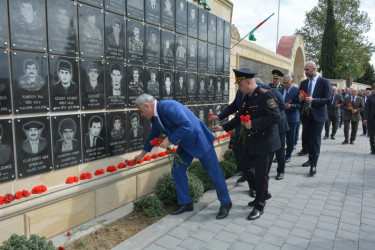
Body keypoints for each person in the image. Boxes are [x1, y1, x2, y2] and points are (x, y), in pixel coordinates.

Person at [134, 94, 232, 219]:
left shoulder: (169, 106)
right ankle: (186, 203)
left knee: (214, 173)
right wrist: (142, 154)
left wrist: (169, 140)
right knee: (177, 171)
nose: (141, 115)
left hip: (199, 140)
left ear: (147, 106)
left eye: (141, 111)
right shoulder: (154, 117)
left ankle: (226, 203)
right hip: (185, 144)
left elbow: (186, 124)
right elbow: (154, 134)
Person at [212, 69, 280, 220]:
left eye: (240, 85)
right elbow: (239, 116)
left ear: (249, 82)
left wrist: (253, 124)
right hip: (251, 140)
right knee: (244, 165)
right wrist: (224, 127)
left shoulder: (266, 95)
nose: (239, 88)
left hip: (265, 143)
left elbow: (276, 116)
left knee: (262, 175)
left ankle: (259, 204)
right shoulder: (246, 96)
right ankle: (263, 192)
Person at [299, 62, 331, 176]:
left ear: (314, 69)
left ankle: (314, 165)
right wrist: (300, 98)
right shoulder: (303, 83)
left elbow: (328, 99)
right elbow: (300, 98)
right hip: (306, 115)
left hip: (318, 115)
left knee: (315, 140)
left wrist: (314, 100)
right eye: (305, 70)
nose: (305, 72)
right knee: (307, 138)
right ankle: (310, 159)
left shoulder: (324, 82)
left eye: (307, 70)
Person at [278, 75, 300, 163]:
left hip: (292, 118)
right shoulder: (279, 90)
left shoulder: (297, 91)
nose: (284, 84)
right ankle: (280, 155)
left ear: (291, 82)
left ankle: (288, 155)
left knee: (290, 138)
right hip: (281, 118)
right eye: (283, 82)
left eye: (286, 83)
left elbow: (300, 105)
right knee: (280, 138)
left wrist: (291, 106)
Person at [363, 87, 375, 154]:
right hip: (372, 119)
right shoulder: (370, 97)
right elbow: (366, 108)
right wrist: (365, 118)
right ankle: (373, 149)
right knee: (372, 134)